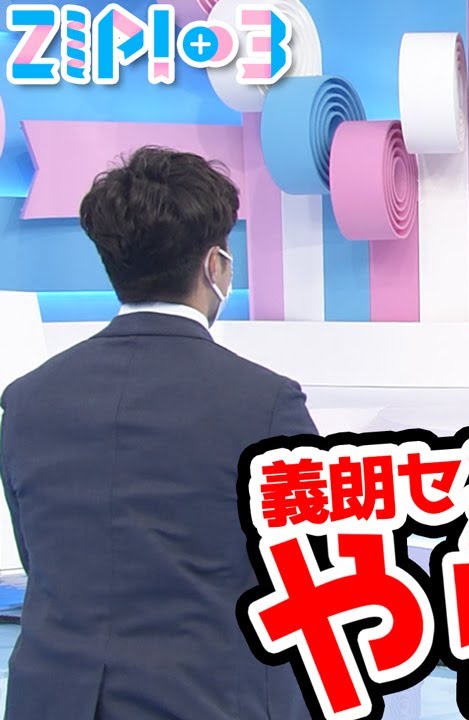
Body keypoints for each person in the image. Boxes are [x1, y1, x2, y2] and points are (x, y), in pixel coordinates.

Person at [0, 147, 318, 719]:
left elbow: (41, 556)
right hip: (212, 700)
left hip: (53, 700)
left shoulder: (27, 400)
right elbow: (305, 569)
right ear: (216, 265)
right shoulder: (266, 403)